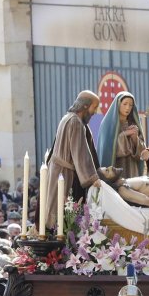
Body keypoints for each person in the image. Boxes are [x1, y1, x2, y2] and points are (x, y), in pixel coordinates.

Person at [45, 91, 102, 232]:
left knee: (56, 205)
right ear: (85, 106)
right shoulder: (76, 122)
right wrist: (92, 178)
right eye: (94, 107)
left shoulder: (67, 118)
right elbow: (80, 152)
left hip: (57, 170)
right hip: (65, 174)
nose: (95, 112)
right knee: (66, 211)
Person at [96, 91, 149, 179]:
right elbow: (108, 149)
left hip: (132, 169)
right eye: (125, 104)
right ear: (118, 104)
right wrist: (124, 134)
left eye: (130, 105)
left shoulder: (134, 124)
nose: (127, 107)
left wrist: (135, 138)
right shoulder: (108, 124)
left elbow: (142, 153)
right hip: (116, 167)